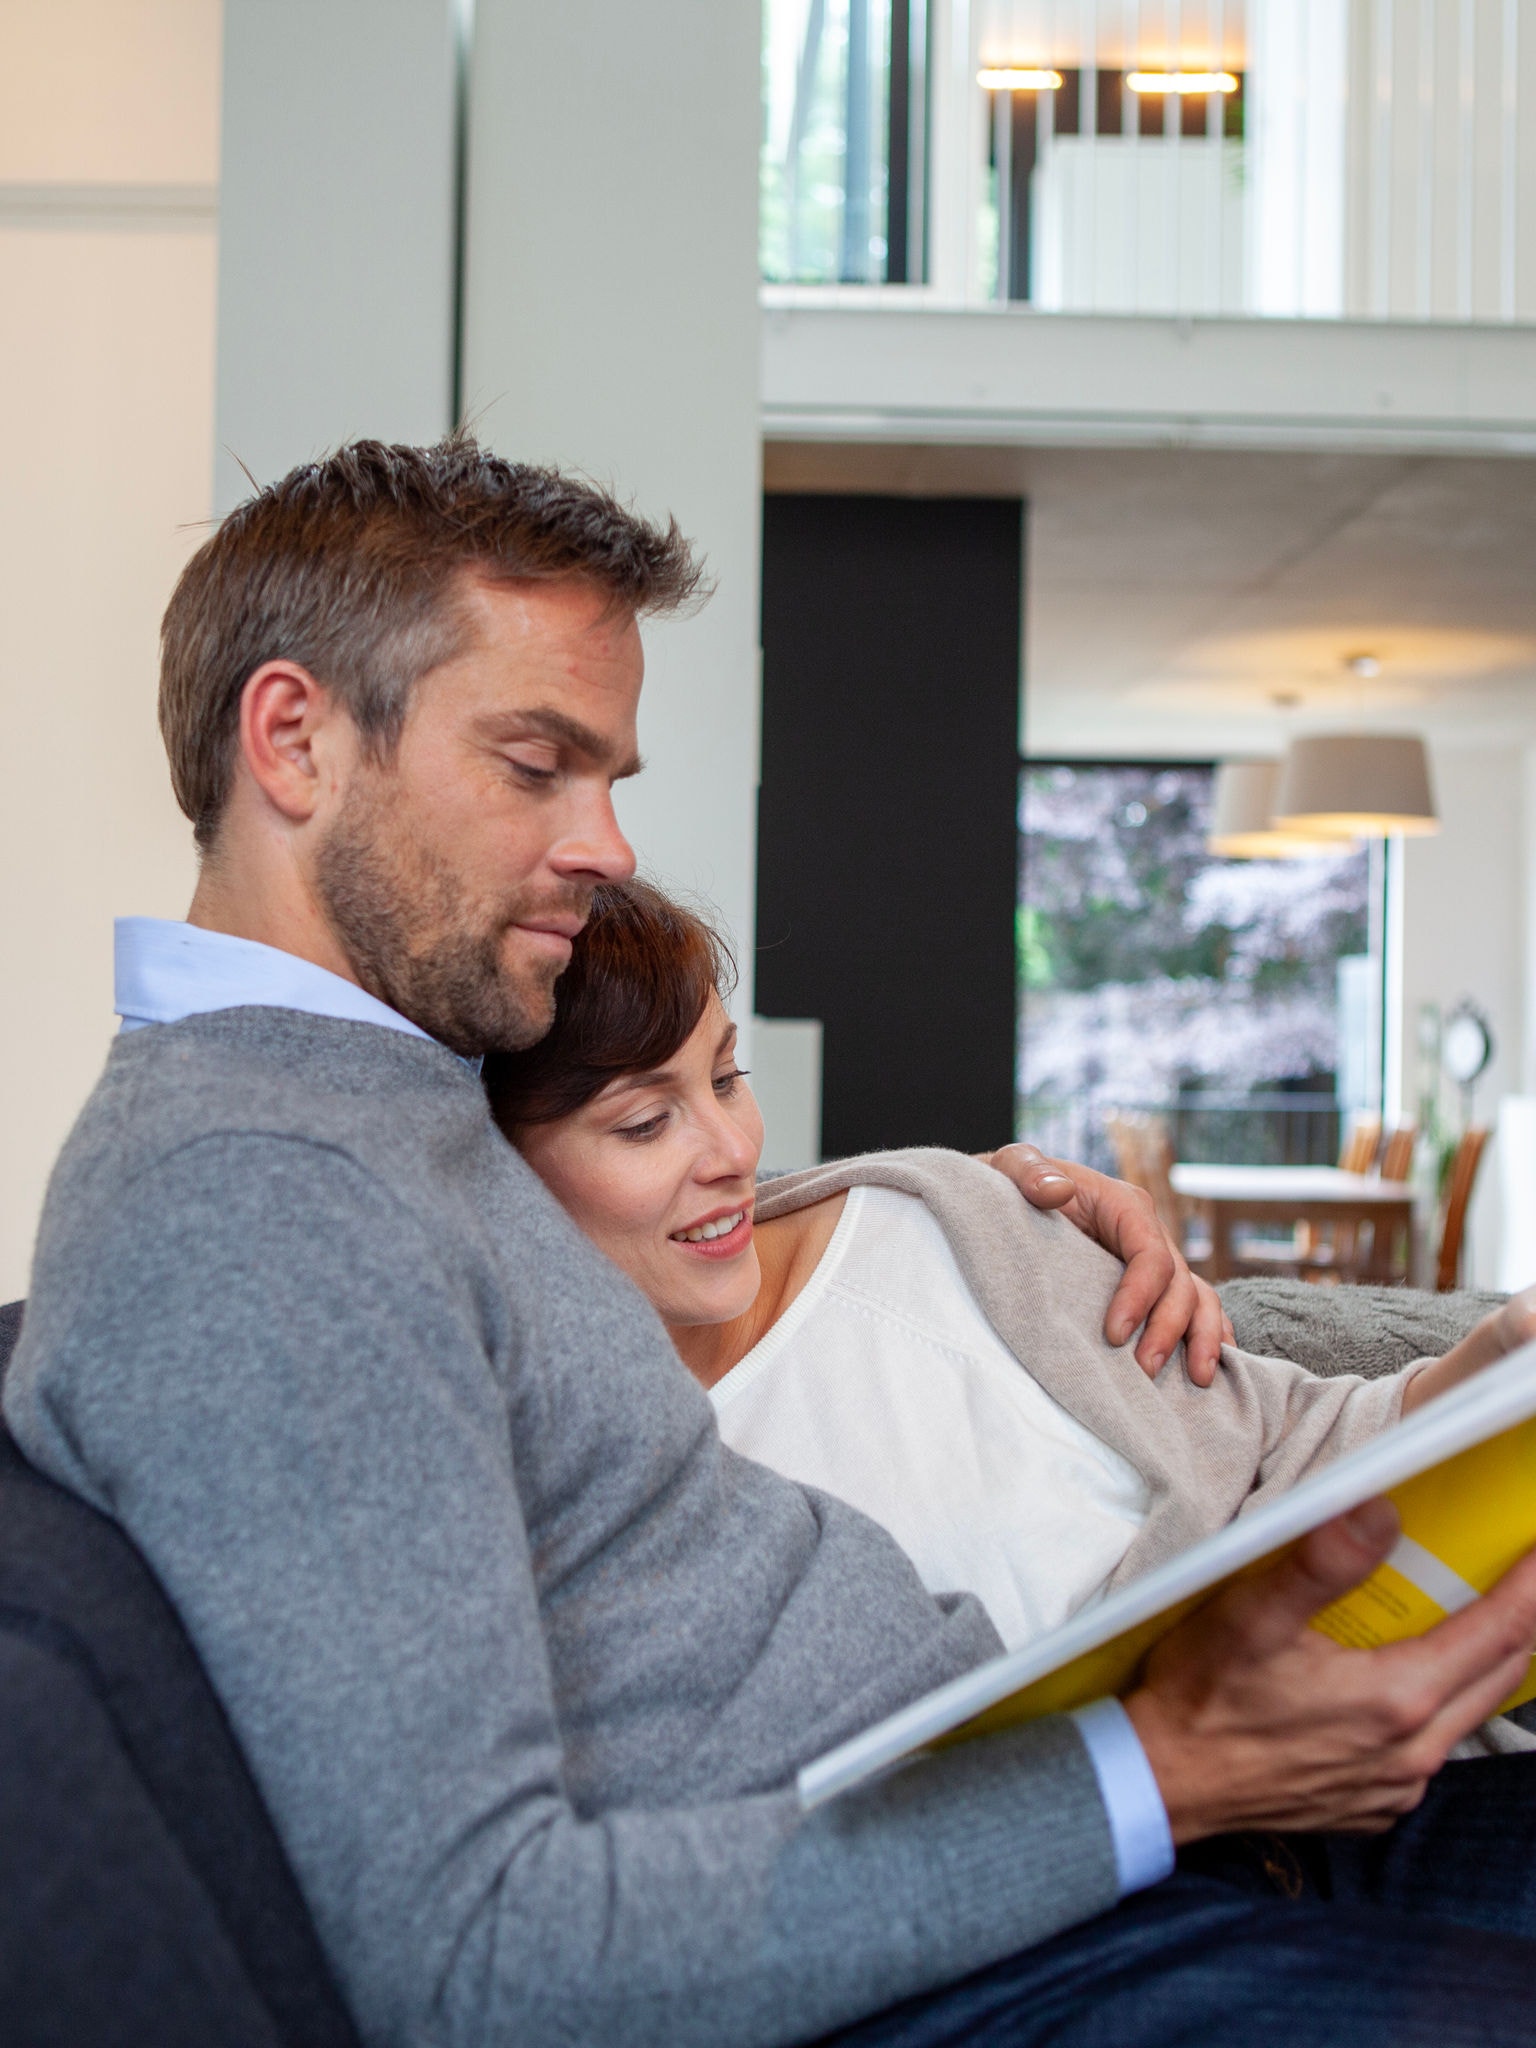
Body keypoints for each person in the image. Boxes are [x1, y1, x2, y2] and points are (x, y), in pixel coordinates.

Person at [5, 437, 1536, 2048]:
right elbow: (480, 1958)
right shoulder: (252, 1205)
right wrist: (1172, 1767)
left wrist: (980, 1205)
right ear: (295, 739)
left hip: (1066, 1855)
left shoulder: (380, 1102)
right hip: (978, 1948)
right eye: (538, 765)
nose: (602, 846)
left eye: (611, 779)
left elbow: (641, 1225)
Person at [489, 879, 1536, 1676]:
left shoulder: (947, 1222)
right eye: (642, 1121)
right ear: (488, 1175)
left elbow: (1289, 1441)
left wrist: (1488, 1365)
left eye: (725, 1076)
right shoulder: (565, 1492)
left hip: (1372, 1745)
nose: (730, 1147)